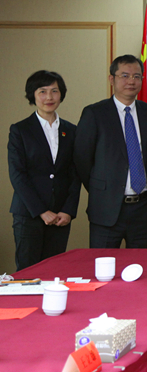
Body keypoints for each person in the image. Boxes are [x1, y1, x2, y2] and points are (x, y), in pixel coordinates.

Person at [74, 54, 147, 248]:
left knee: (143, 264)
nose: (131, 81)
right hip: (106, 207)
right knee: (104, 264)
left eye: (137, 76)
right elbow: (82, 159)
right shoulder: (94, 113)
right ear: (111, 79)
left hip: (144, 208)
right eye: (125, 75)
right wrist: (103, 187)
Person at [8, 71, 81, 271]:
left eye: (54, 91)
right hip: (29, 214)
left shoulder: (72, 131)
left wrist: (68, 210)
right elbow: (17, 175)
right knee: (28, 273)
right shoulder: (20, 130)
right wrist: (41, 211)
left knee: (54, 272)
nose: (49, 97)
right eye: (42, 91)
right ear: (32, 95)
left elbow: (76, 174)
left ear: (61, 94)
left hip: (60, 216)